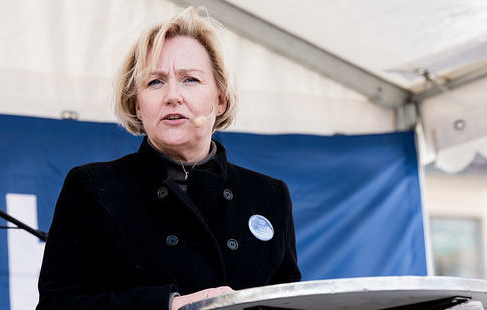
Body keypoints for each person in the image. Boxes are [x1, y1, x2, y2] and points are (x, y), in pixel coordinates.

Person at [36, 6, 301, 310]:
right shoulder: (93, 187)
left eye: (190, 79)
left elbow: (288, 303)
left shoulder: (269, 195)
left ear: (220, 99)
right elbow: (59, 304)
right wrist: (169, 306)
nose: (172, 95)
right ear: (137, 105)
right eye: (155, 82)